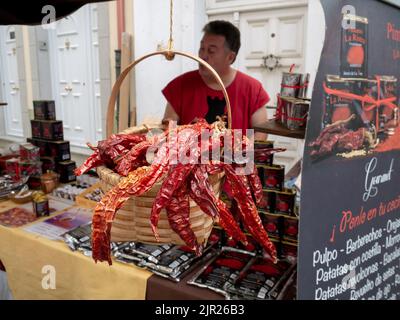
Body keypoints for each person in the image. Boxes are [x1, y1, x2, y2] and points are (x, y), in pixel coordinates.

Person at [162, 20, 269, 140]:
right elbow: (168, 130)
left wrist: (238, 153)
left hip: (236, 157)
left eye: (211, 51)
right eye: (202, 48)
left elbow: (261, 134)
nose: (203, 56)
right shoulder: (180, 86)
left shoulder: (252, 89)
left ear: (230, 57)